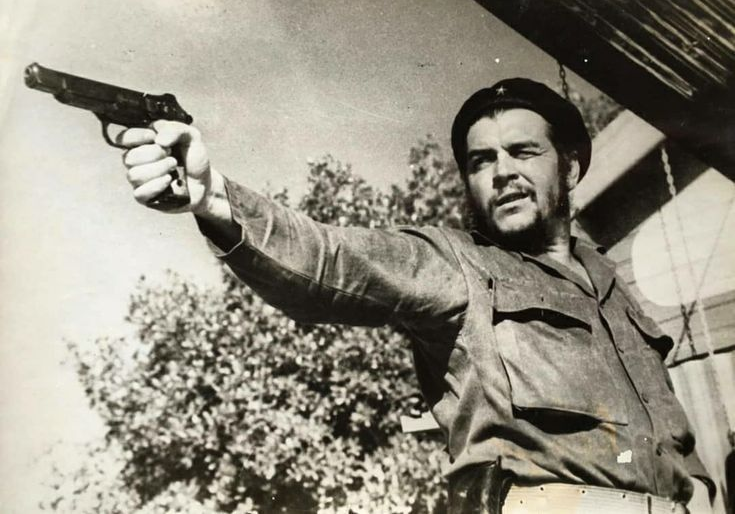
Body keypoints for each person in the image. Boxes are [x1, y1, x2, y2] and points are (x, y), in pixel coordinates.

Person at [118, 79, 714, 513]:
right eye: (481, 161)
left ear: (571, 168)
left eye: (523, 151)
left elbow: (674, 439)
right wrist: (212, 197)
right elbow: (329, 259)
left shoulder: (613, 285)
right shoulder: (455, 264)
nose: (502, 172)